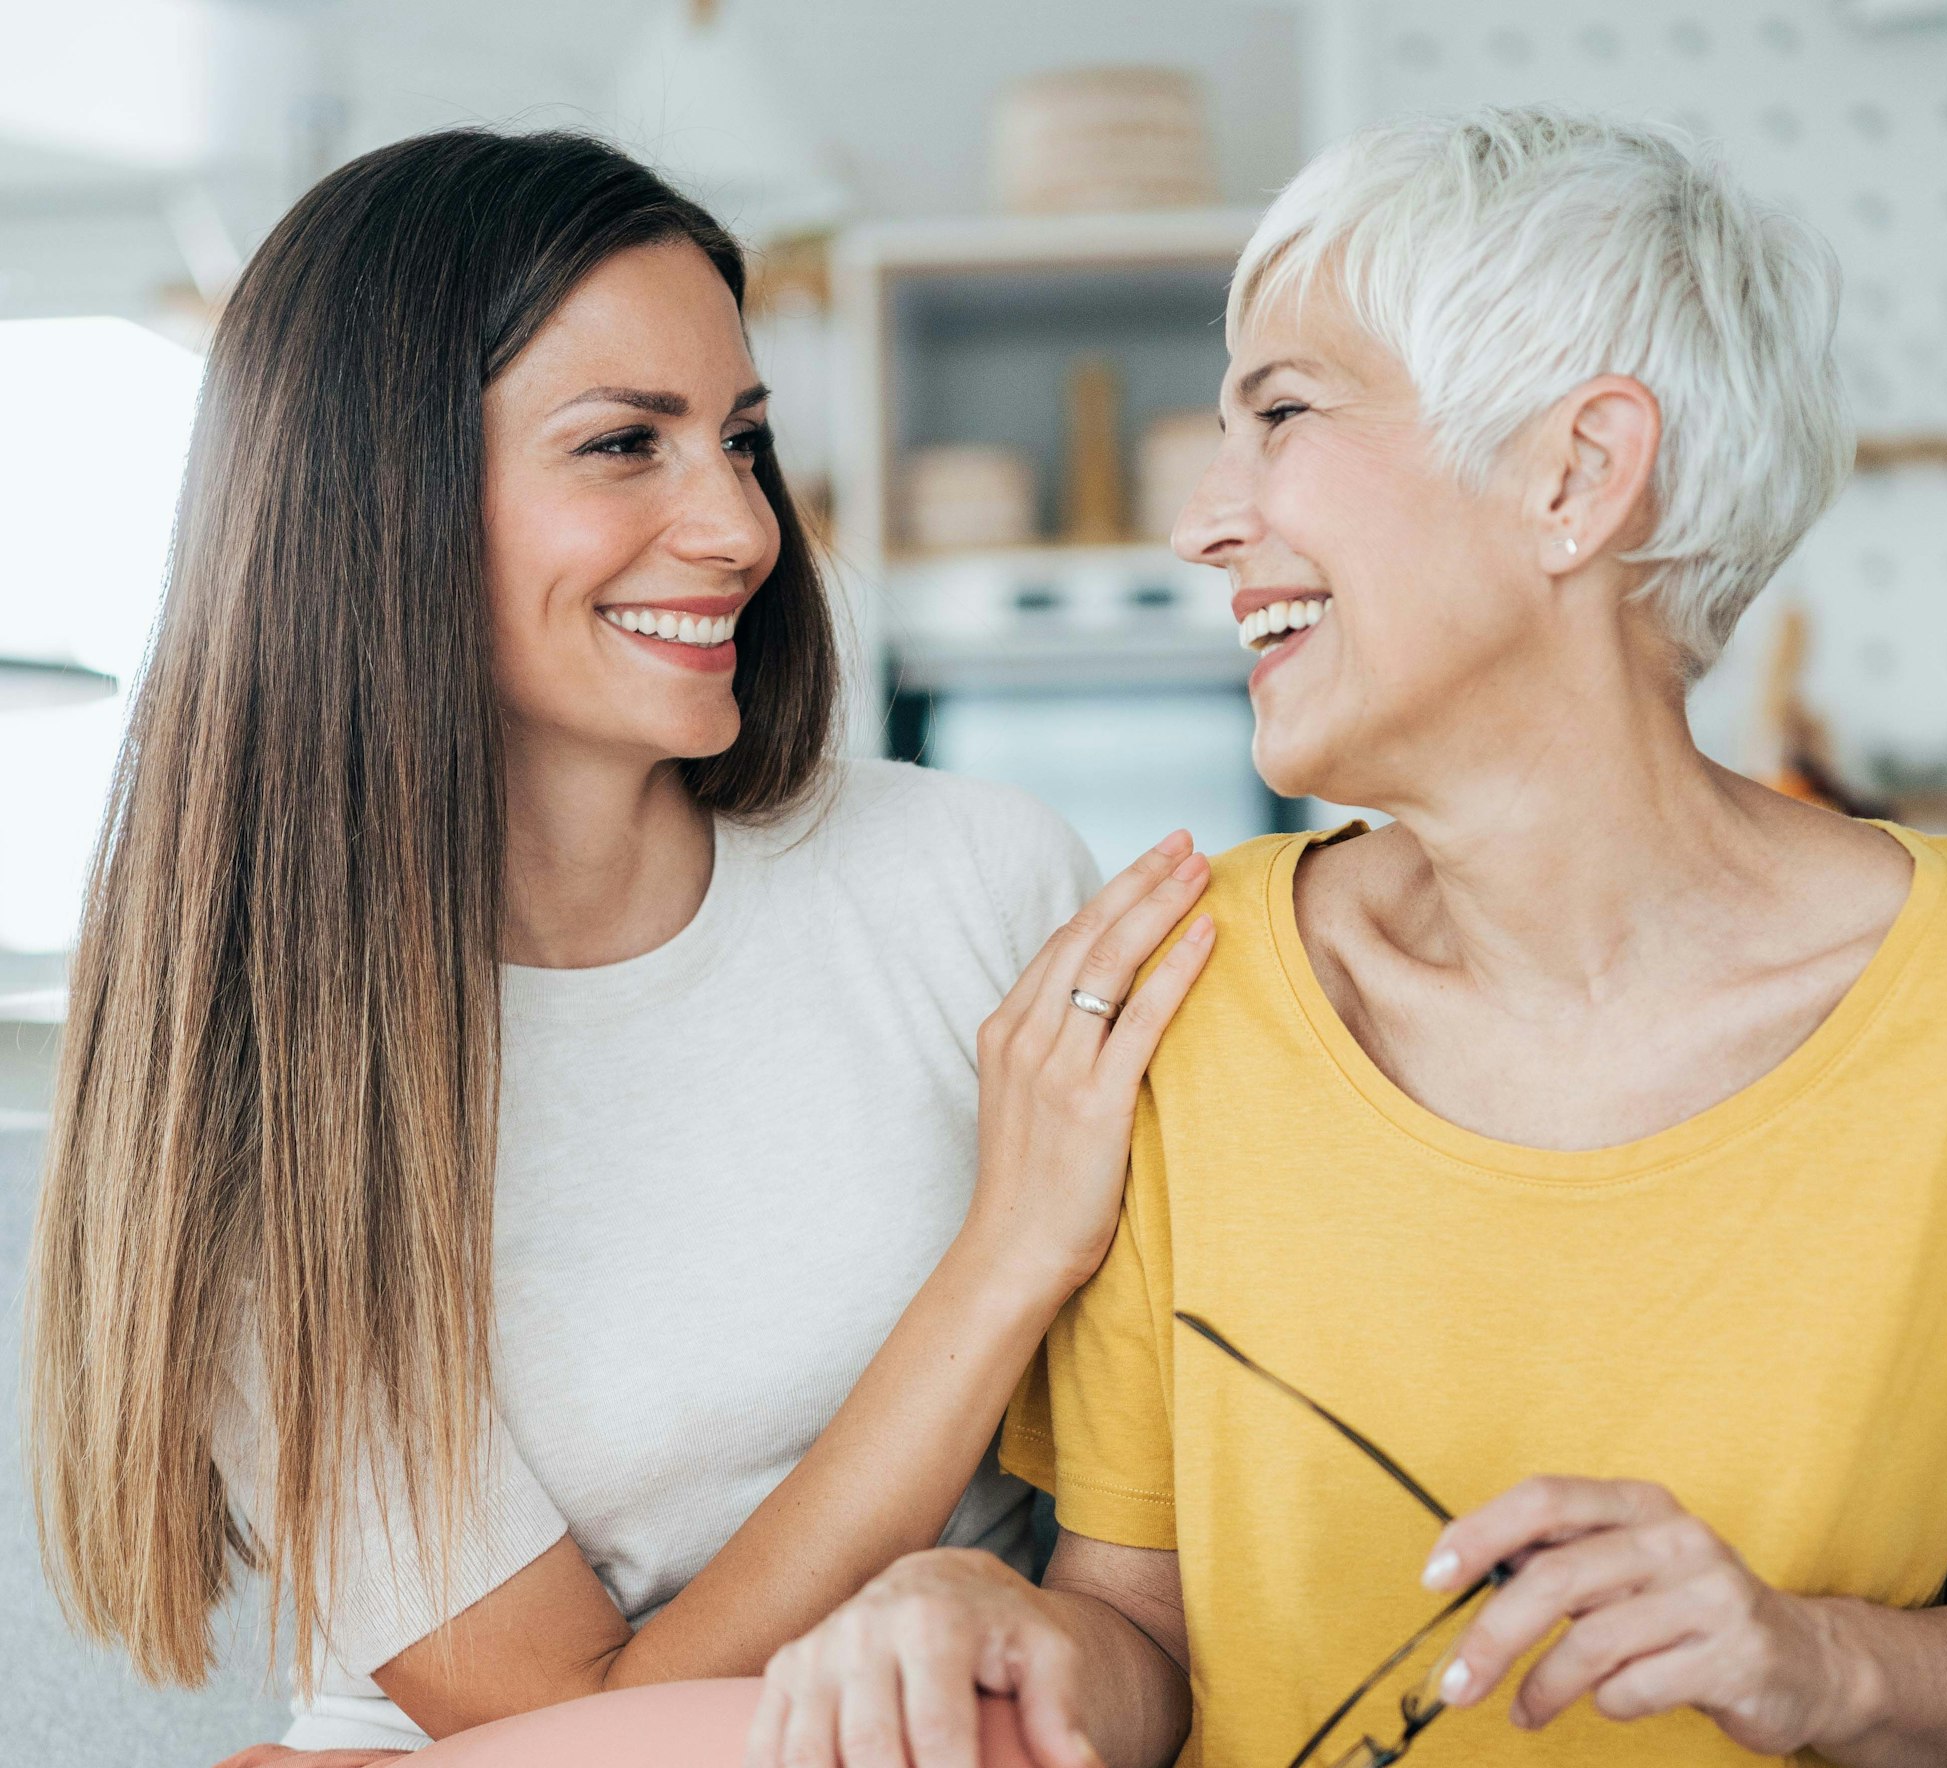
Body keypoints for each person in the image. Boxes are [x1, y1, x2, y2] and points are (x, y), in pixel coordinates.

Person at [753, 108, 1947, 1768]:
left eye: (1281, 411)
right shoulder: (1190, 1002)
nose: (1202, 518)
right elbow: (1143, 1645)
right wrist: (993, 1627)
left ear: (1574, 473)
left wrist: (1818, 1661)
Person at [23, 129, 1216, 1761]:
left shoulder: (973, 879)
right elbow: (565, 1733)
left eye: (742, 441)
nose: (739, 528)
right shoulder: (266, 1093)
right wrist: (1007, 1259)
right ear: (379, 504)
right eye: (623, 447)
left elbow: (1144, 1578)